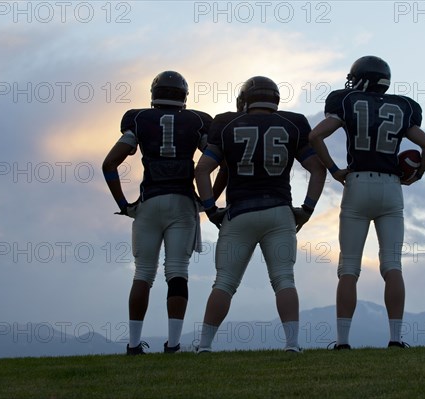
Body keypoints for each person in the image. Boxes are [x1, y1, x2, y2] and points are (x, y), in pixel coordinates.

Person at [308, 56, 425, 349]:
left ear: (361, 78)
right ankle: (395, 338)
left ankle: (342, 341)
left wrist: (334, 169)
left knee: (349, 267)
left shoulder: (346, 100)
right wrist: (416, 175)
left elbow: (315, 135)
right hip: (391, 187)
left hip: (358, 183)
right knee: (392, 265)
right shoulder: (404, 106)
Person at [195, 76, 326, 353]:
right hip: (279, 211)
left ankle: (204, 345)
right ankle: (292, 344)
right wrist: (308, 209)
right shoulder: (293, 123)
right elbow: (317, 168)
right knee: (284, 279)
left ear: (245, 100)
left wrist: (209, 208)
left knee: (225, 282)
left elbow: (203, 169)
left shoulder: (226, 123)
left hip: (240, 212)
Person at [102, 71, 213, 355]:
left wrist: (124, 205)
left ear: (154, 93)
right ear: (183, 95)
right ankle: (173, 344)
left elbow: (109, 164)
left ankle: (134, 344)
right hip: (182, 201)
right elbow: (216, 161)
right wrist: (208, 200)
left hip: (150, 201)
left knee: (143, 273)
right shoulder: (197, 121)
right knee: (177, 272)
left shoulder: (138, 119)